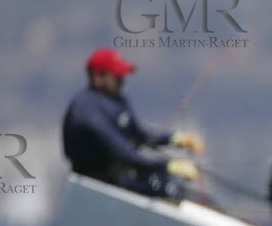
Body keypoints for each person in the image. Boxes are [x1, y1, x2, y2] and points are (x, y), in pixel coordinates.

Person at [61, 48, 204, 197]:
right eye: (117, 77)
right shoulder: (86, 109)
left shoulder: (117, 100)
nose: (122, 81)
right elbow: (122, 151)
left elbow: (138, 134)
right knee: (166, 189)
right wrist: (168, 166)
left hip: (122, 177)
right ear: (98, 77)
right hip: (98, 184)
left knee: (176, 187)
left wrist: (176, 139)